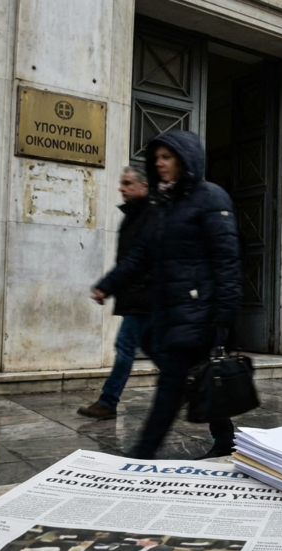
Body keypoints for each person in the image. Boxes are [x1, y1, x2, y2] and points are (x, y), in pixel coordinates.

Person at [91, 130, 241, 459]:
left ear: (185, 159)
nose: (159, 163)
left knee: (171, 387)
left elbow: (227, 262)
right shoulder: (162, 205)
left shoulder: (212, 198)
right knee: (191, 380)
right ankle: (226, 438)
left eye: (167, 157)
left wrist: (223, 320)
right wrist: (109, 283)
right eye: (156, 157)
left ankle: (142, 454)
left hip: (197, 313)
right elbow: (141, 253)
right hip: (168, 311)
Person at [78, 165, 155, 419]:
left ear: (144, 186)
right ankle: (190, 386)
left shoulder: (149, 215)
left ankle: (108, 402)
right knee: (157, 352)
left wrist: (107, 286)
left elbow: (136, 259)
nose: (121, 188)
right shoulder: (134, 214)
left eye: (128, 183)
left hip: (146, 297)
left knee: (125, 348)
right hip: (139, 297)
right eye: (122, 183)